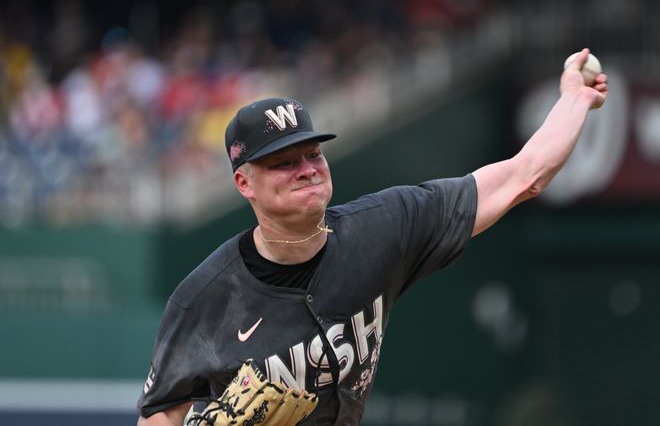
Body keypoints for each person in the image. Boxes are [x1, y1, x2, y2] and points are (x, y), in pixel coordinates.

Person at [137, 49, 608, 425]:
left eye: (313, 154)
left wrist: (574, 99)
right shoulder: (203, 299)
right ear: (244, 184)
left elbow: (520, 177)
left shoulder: (385, 225)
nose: (307, 170)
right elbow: (161, 411)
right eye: (284, 162)